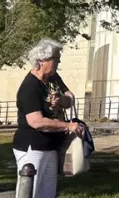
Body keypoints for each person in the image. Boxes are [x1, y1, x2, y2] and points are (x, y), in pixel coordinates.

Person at [13, 39, 83, 198]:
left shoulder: (53, 77)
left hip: (51, 146)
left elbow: (70, 98)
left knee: (47, 192)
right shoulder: (29, 87)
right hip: (33, 147)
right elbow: (36, 122)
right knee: (31, 191)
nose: (59, 62)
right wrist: (67, 126)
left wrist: (61, 100)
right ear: (42, 61)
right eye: (56, 59)